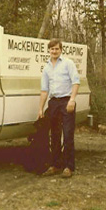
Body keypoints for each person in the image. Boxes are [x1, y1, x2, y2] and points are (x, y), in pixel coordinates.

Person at [38, 38, 80, 178]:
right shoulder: (47, 67)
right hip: (54, 103)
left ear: (61, 50)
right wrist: (40, 108)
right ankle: (55, 165)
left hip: (67, 101)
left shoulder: (68, 64)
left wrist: (72, 100)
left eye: (57, 49)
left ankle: (69, 167)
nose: (54, 51)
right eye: (52, 49)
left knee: (68, 135)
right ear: (49, 50)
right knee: (54, 135)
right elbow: (44, 90)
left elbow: (75, 83)